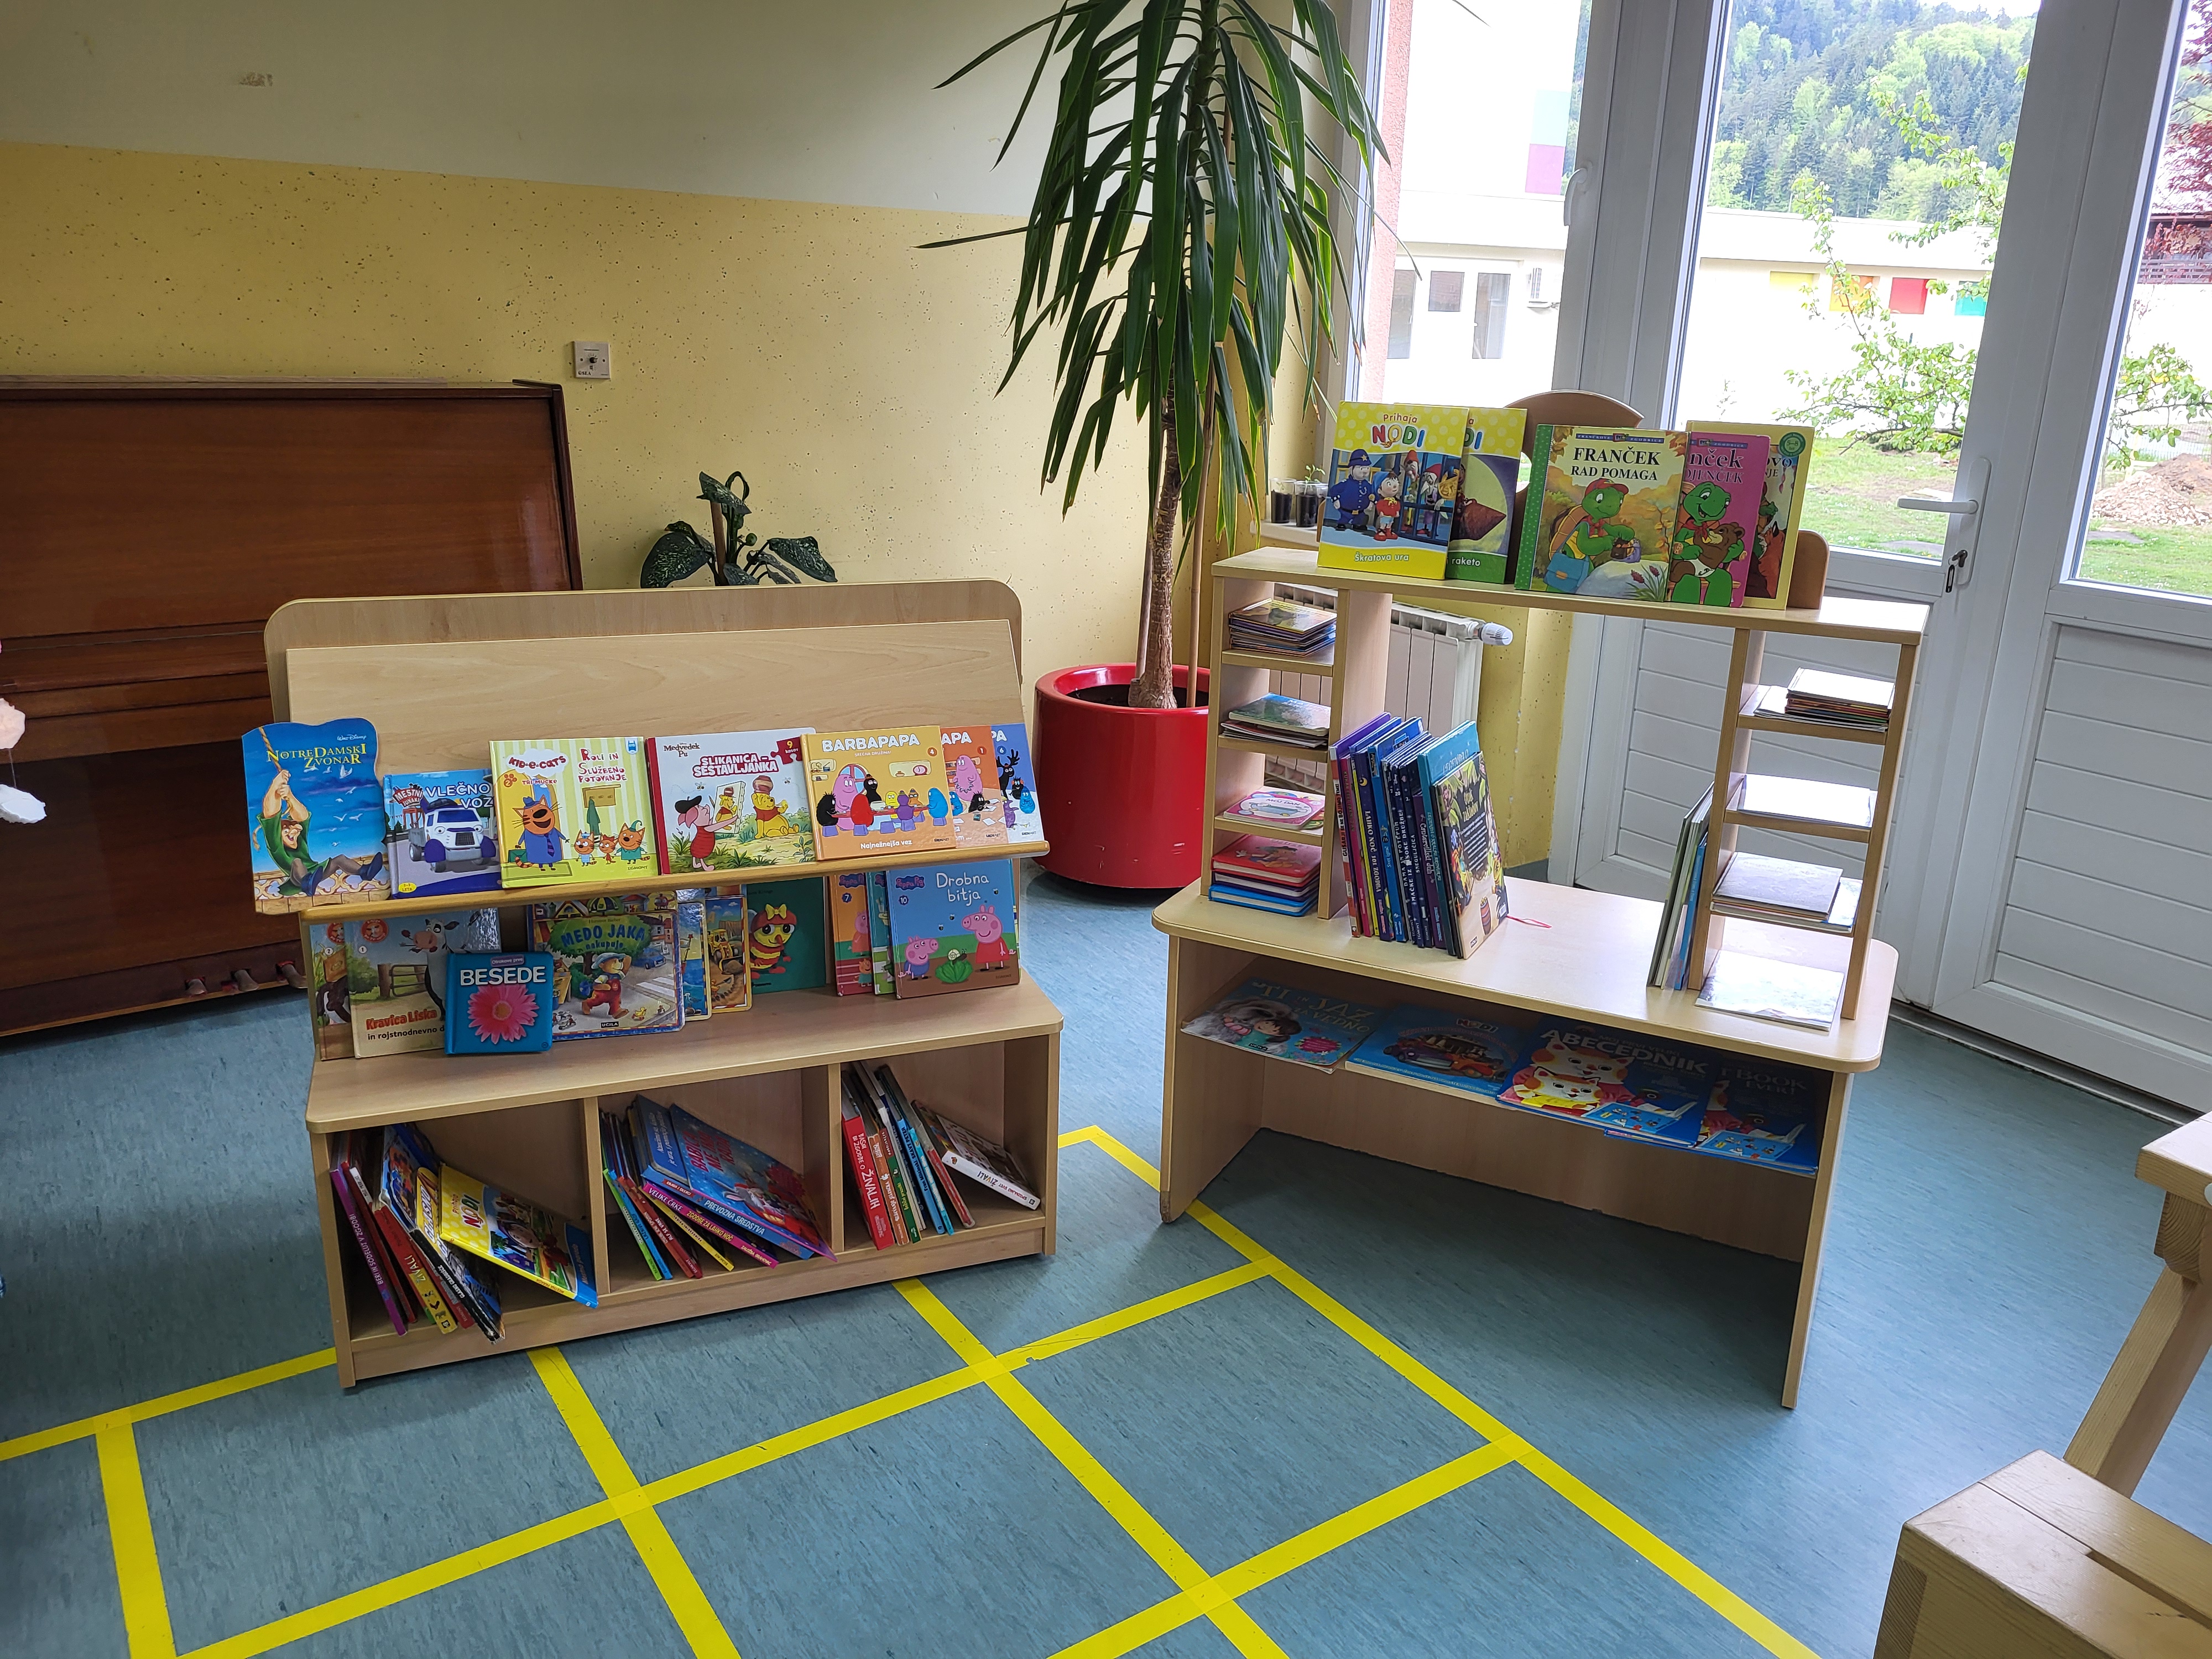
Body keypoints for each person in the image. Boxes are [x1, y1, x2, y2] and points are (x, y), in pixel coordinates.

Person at [260, 768, 384, 898]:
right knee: (297, 862)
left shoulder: (298, 838)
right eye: (286, 830)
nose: (293, 832)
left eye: (294, 829)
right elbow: (270, 812)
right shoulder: (276, 845)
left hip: (316, 873)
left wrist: (290, 796)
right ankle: (307, 883)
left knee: (340, 859)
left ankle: (364, 872)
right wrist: (276, 784)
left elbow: (302, 816)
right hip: (299, 880)